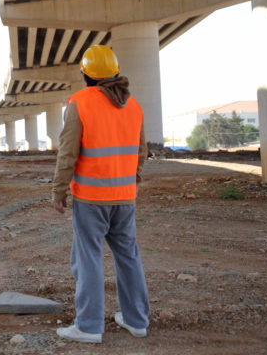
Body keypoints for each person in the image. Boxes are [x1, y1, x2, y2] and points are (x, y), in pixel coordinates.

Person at [51, 44, 150, 343]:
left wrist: (59, 189)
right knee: (128, 256)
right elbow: (141, 152)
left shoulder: (79, 103)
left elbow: (68, 151)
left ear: (85, 75)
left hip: (91, 199)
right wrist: (131, 180)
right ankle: (136, 321)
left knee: (89, 259)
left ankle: (89, 326)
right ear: (116, 72)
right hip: (125, 198)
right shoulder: (133, 105)